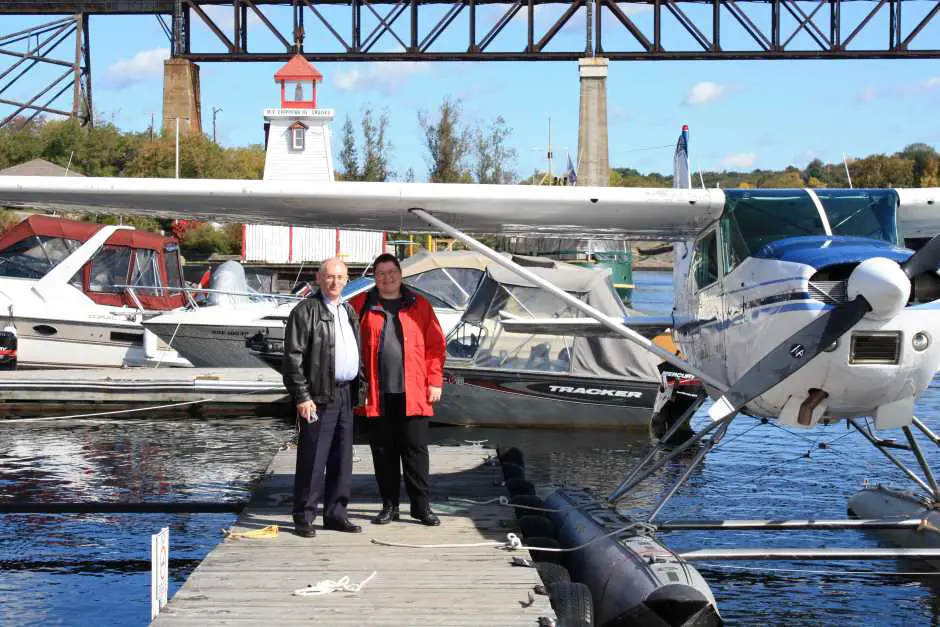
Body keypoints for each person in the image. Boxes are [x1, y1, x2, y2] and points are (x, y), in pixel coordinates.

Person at [350, 253, 446, 526]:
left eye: (391, 272)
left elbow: (436, 346)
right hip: (378, 395)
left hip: (413, 393)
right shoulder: (361, 304)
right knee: (383, 453)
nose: (387, 278)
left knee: (416, 452)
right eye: (381, 273)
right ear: (375, 277)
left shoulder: (419, 305)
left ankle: (421, 507)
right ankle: (389, 506)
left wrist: (435, 381)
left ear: (400, 274)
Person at [282, 257, 363, 538]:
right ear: (318, 278)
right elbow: (292, 358)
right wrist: (302, 396)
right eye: (329, 277)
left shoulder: (348, 310)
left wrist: (359, 387)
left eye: (340, 277)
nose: (335, 282)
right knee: (313, 458)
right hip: (317, 396)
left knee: (342, 459)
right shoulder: (305, 311)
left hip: (345, 394)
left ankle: (336, 514)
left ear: (347, 279)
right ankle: (304, 516)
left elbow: (356, 351)